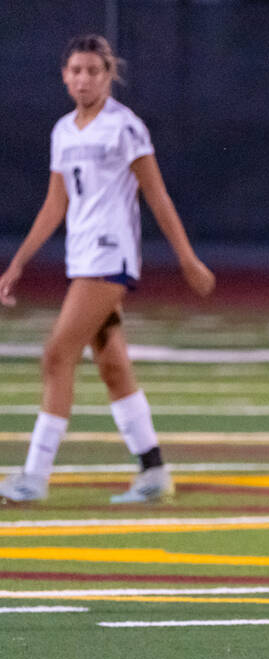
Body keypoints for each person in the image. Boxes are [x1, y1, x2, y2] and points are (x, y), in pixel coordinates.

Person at [0, 34, 214, 504]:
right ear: (63, 75)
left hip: (110, 255)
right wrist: (18, 261)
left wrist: (186, 258)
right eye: (75, 70)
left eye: (92, 71)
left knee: (56, 355)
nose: (83, 79)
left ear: (107, 75)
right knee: (113, 366)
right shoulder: (63, 131)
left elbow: (156, 196)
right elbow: (55, 204)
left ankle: (34, 477)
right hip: (82, 257)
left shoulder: (124, 126)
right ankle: (154, 470)